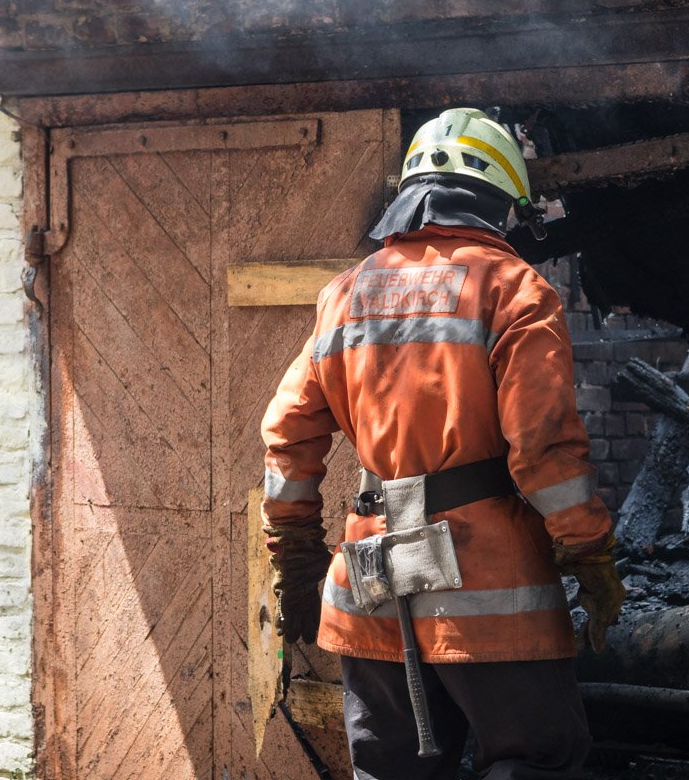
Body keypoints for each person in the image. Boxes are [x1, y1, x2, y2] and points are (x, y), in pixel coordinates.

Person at [259, 107, 626, 780]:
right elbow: (542, 448)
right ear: (499, 202)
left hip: (373, 582)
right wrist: (590, 551)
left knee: (390, 771)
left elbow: (287, 437)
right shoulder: (513, 288)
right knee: (532, 763)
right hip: (492, 591)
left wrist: (295, 555)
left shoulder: (344, 294)